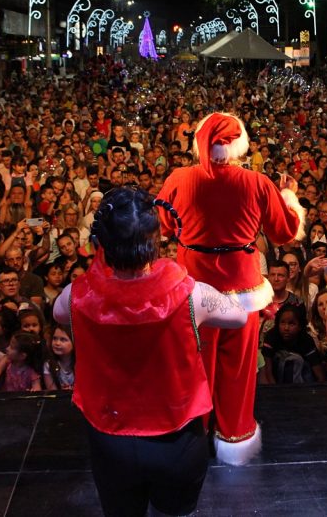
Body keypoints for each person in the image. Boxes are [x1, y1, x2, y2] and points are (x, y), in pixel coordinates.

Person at [53, 186, 249, 516]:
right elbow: (238, 316)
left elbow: (59, 315)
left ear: (101, 242)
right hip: (177, 443)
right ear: (155, 240)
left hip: (111, 439)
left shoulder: (75, 296)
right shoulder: (192, 294)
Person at [156, 112, 305, 464]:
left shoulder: (180, 177)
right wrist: (288, 196)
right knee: (237, 367)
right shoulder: (257, 182)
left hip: (193, 285)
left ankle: (192, 438)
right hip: (242, 288)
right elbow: (285, 232)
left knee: (194, 365)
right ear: (240, 144)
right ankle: (234, 437)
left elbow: (163, 224)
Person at [260, 304, 325, 384]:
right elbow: (267, 372)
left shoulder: (306, 340)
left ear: (300, 326)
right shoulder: (271, 336)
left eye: (291, 324)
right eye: (282, 323)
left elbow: (319, 376)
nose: (286, 328)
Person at [43, 324, 75, 391]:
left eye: (63, 340)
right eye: (54, 338)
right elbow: (52, 392)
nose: (57, 343)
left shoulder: (82, 363)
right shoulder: (49, 365)